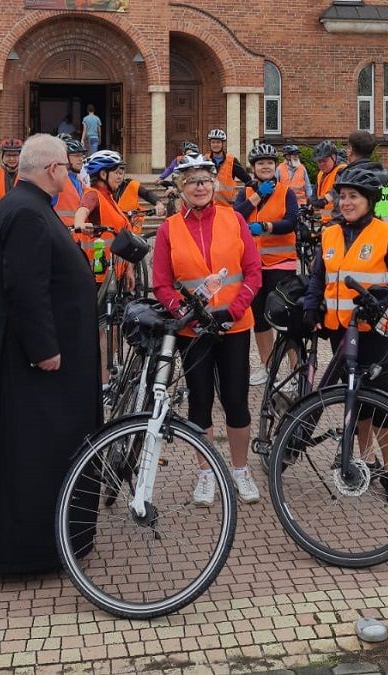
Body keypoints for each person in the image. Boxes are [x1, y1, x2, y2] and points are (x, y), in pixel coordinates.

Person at [0, 134, 102, 575]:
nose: (69, 176)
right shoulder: (28, 213)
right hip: (39, 363)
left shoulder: (24, 206)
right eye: (66, 169)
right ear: (53, 169)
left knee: (33, 447)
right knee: (34, 450)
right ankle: (32, 548)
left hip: (34, 356)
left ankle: (48, 538)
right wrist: (45, 349)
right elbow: (25, 287)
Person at [151, 154, 263, 505]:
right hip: (194, 331)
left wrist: (235, 309)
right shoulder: (170, 228)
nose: (199, 187)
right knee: (200, 402)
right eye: (191, 182)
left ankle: (240, 470)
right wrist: (184, 312)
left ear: (214, 185)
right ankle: (205, 473)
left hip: (232, 325)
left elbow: (254, 270)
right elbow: (162, 284)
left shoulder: (234, 219)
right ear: (181, 188)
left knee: (235, 400)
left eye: (205, 181)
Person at [301, 164, 388, 505]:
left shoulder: (386, 234)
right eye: (342, 196)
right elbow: (319, 275)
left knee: (379, 402)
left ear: (370, 200)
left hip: (374, 331)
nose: (346, 202)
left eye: (354, 197)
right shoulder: (331, 233)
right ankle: (365, 462)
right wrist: (311, 306)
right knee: (355, 396)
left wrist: (382, 302)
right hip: (339, 330)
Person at [234, 143, 299, 386]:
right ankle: (268, 367)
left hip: (281, 264)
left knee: (286, 318)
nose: (265, 166)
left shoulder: (286, 191)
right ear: (253, 168)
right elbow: (235, 217)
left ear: (275, 167)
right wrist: (257, 195)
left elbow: (291, 221)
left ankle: (295, 371)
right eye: (260, 163)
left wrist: (266, 227)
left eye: (269, 163)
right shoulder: (247, 192)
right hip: (253, 267)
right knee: (260, 319)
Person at [73, 150, 134, 383]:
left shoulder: (111, 198)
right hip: (98, 276)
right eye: (116, 171)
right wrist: (81, 225)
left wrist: (127, 268)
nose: (121, 176)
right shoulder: (93, 195)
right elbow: (82, 211)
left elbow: (120, 235)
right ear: (102, 174)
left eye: (122, 171)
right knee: (102, 330)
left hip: (114, 274)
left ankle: (111, 370)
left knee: (115, 327)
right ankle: (103, 381)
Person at [206, 128, 253, 206]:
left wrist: (243, 197)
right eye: (213, 142)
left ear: (222, 144)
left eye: (218, 142)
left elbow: (247, 179)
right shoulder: (205, 160)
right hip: (208, 205)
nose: (215, 145)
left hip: (226, 205)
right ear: (210, 144)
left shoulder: (232, 161)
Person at [51, 136, 86, 229]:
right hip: (61, 235)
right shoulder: (56, 182)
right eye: (76, 156)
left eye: (81, 155)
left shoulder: (80, 181)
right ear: (64, 157)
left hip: (78, 237)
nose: (80, 159)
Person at [309, 140, 347, 224]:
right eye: (319, 161)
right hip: (324, 219)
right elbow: (315, 193)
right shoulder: (321, 173)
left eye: (324, 160)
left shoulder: (342, 170)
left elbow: (337, 190)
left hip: (337, 220)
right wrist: (312, 202)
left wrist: (324, 200)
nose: (321, 164)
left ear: (334, 157)